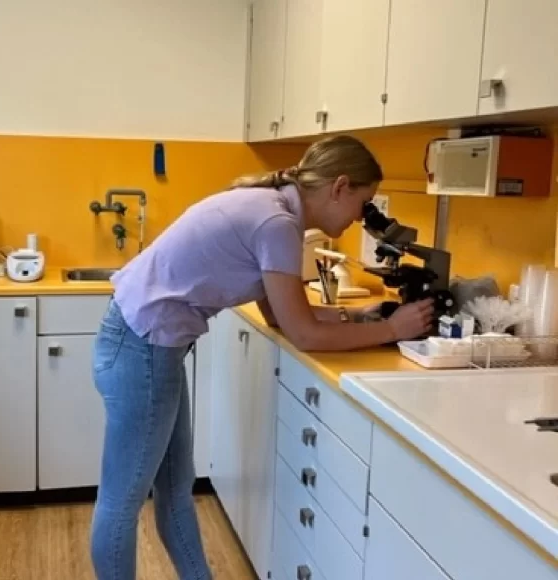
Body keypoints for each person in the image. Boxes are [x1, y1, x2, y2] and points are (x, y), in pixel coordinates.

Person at [89, 134, 434, 579]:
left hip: (148, 345)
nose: (358, 218)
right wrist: (391, 330)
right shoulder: (277, 223)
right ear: (339, 187)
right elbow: (303, 334)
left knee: (175, 490)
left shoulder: (273, 208)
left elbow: (281, 314)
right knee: (122, 503)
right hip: (141, 347)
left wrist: (357, 315)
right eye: (362, 203)